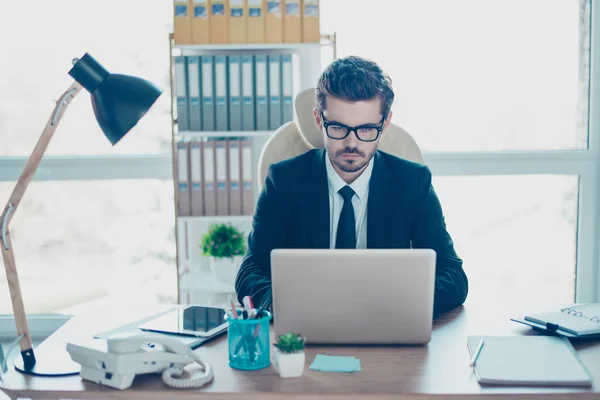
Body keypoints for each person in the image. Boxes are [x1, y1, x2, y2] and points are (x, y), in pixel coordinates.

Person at [235, 55, 468, 319]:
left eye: (367, 129)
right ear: (318, 120)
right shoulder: (284, 180)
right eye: (338, 127)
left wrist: (404, 307)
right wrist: (287, 306)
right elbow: (250, 272)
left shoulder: (412, 182)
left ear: (385, 123)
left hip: (386, 326)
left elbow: (453, 275)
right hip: (308, 329)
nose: (351, 144)